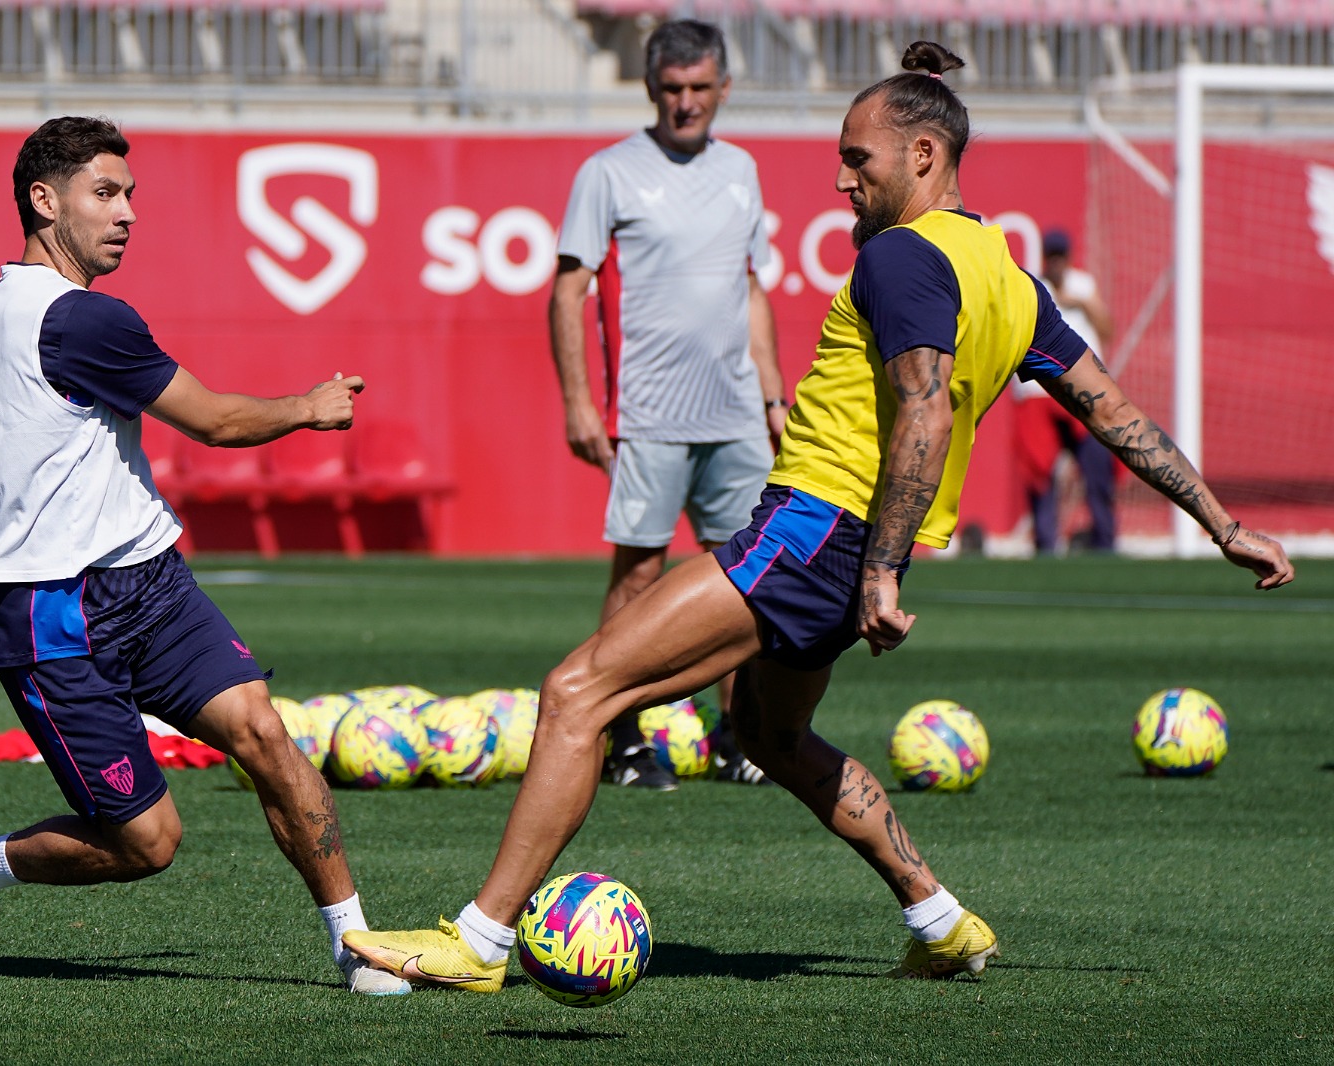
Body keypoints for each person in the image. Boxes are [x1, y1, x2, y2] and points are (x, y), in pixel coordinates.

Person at [343, 41, 1294, 990]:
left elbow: (922, 409)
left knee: (578, 692)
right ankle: (939, 915)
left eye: (857, 158)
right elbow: (1115, 413)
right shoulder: (1007, 277)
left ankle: (480, 940)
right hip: (849, 550)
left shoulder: (901, 259)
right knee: (769, 736)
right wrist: (1220, 522)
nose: (840, 179)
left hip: (816, 538)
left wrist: (877, 568)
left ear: (923, 156)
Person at [0, 116, 409, 995]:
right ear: (44, 200)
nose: (128, 212)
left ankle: (357, 945)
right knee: (148, 843)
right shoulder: (79, 321)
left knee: (264, 734)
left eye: (130, 194)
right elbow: (215, 421)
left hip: (150, 584)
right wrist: (310, 406)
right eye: (105, 193)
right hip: (50, 614)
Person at [549, 18, 788, 791]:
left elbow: (751, 287)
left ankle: (738, 736)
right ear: (653, 89)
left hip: (735, 413)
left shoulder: (742, 170)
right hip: (649, 415)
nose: (686, 103)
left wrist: (773, 393)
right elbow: (568, 289)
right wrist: (580, 402)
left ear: (723, 88)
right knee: (641, 573)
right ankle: (619, 735)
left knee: (751, 578)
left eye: (699, 88)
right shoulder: (609, 171)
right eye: (673, 89)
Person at [1013, 228, 1117, 554]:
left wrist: (1082, 304)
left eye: (1061, 256)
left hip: (1080, 386)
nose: (1056, 263)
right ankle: (1045, 543)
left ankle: (1105, 541)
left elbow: (1107, 329)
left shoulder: (1083, 286)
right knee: (1039, 467)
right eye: (1051, 256)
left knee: (1096, 464)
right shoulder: (1031, 285)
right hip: (1038, 391)